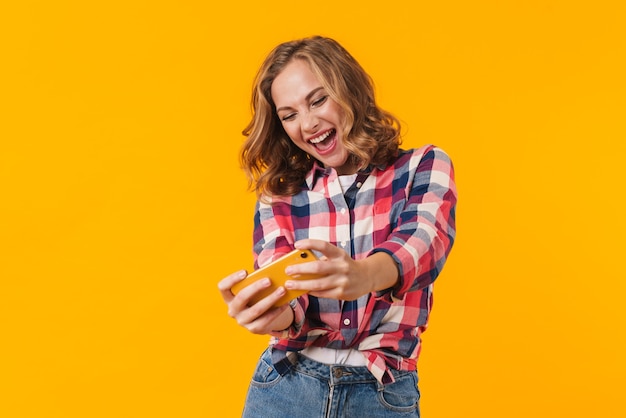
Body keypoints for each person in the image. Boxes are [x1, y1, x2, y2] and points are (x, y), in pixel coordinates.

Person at [218, 36, 457, 417]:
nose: (308, 123)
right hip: (285, 387)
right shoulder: (279, 195)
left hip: (381, 392)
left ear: (349, 89)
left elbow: (424, 244)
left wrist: (364, 275)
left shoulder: (422, 167)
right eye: (289, 114)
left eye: (318, 100)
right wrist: (267, 313)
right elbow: (289, 304)